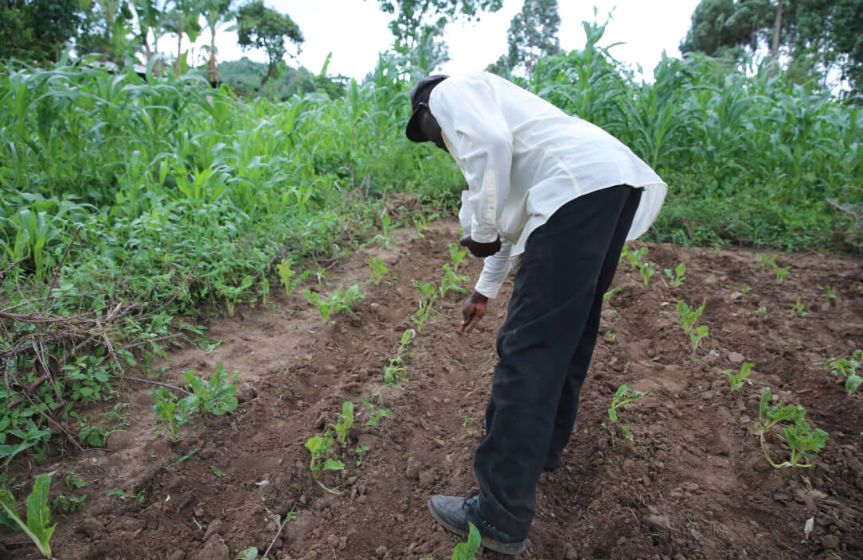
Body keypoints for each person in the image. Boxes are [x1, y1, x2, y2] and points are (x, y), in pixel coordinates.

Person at [404, 72, 667, 555]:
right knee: (571, 333)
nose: (440, 145)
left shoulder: (449, 92)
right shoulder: (509, 130)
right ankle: (541, 451)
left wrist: (479, 230)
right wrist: (483, 292)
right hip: (610, 181)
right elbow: (505, 226)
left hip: (577, 187)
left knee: (527, 351)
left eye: (431, 135)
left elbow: (488, 163)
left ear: (427, 112)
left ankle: (497, 514)